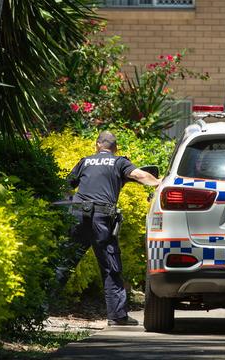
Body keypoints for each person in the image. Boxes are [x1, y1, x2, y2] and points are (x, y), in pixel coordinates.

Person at [66, 130, 161, 326]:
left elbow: (67, 184)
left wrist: (71, 205)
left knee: (64, 262)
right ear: (115, 148)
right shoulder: (119, 162)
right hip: (102, 219)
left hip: (79, 215)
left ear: (97, 145)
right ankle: (117, 316)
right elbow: (140, 175)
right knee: (110, 266)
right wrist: (160, 182)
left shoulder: (85, 161)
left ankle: (37, 308)